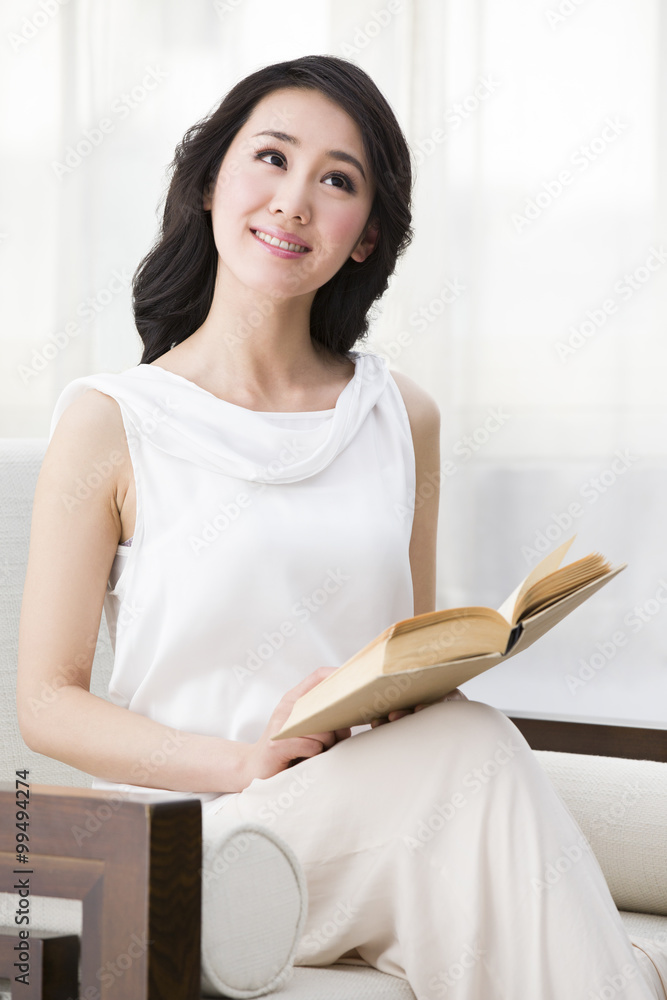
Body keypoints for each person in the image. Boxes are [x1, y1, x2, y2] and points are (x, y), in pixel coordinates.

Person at [16, 55, 666, 999]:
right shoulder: (112, 419)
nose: (293, 201)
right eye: (270, 159)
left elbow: (410, 652)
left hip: (380, 809)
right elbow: (48, 703)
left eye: (336, 181)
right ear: (209, 184)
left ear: (364, 237)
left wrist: (394, 692)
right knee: (476, 752)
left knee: (460, 741)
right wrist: (239, 762)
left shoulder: (403, 416)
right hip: (204, 831)